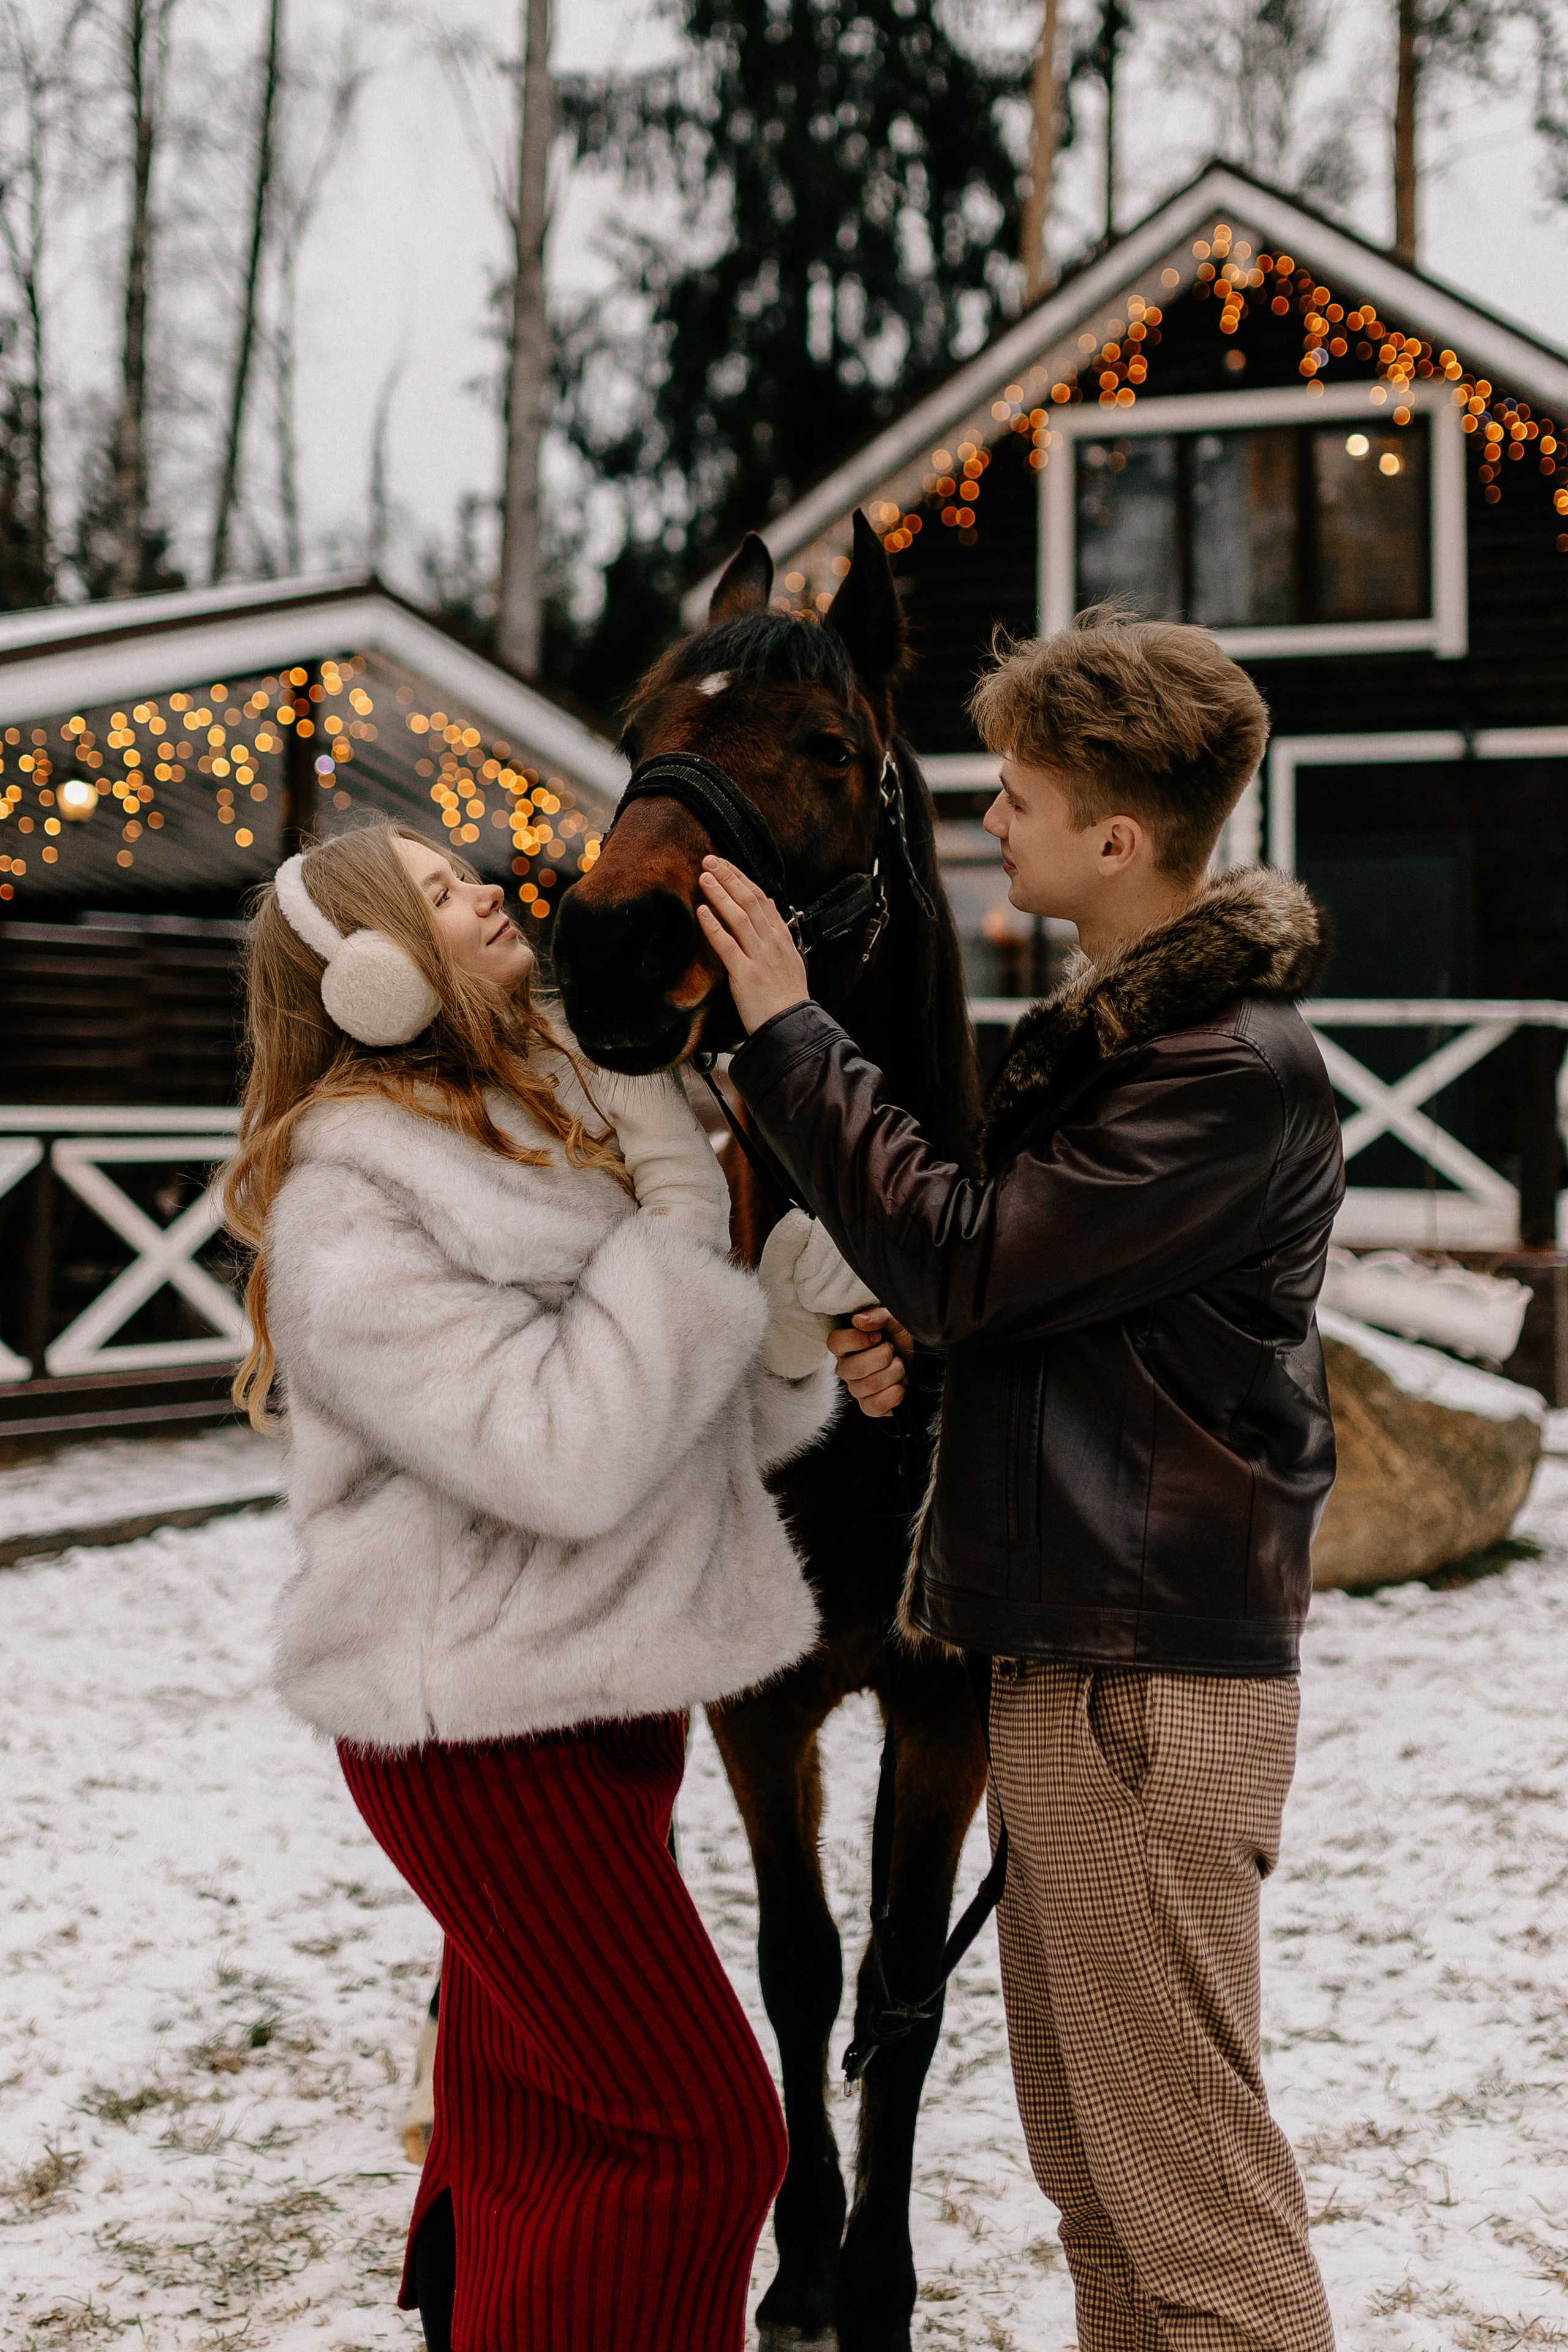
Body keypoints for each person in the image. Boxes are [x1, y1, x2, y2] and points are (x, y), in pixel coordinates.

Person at [695, 609, 1345, 2352]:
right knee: (1098, 2189)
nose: (987, 822)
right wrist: (944, 1364)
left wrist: (789, 1031)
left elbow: (973, 1259)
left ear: (1116, 842)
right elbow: (1070, 1316)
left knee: (1192, 2212)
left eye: (1022, 800)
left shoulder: (1221, 1074)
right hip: (1073, 1657)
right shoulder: (1134, 1052)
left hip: (1146, 1684)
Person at [222, 820, 870, 2352]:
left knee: (538, 2146)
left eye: (466, 873)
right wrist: (675, 1207)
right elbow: (566, 1456)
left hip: (590, 1702)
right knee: (705, 2137)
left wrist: (780, 1331)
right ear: (371, 975)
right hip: (475, 1734)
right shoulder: (353, 1207)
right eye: (440, 895)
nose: (487, 895)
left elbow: (661, 1435)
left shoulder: (519, 1118)